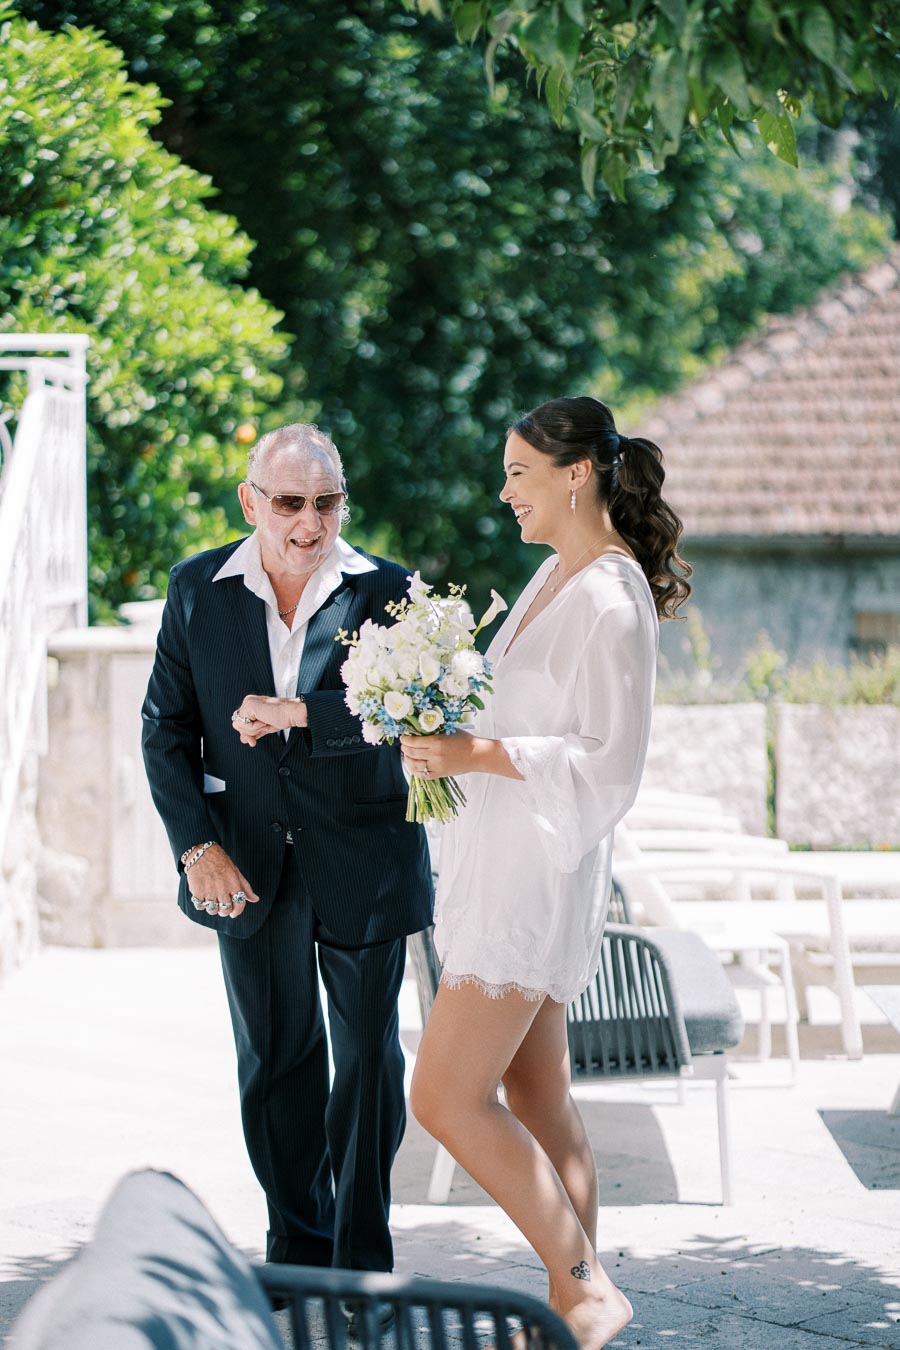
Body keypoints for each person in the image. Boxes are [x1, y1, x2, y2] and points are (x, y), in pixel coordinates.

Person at [399, 396, 691, 1350]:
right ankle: (579, 1300)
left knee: (441, 1098)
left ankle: (584, 1286)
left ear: (576, 474)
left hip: (535, 874)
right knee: (533, 1094)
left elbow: (611, 763)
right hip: (502, 858)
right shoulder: (550, 578)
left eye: (518, 472)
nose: (503, 491)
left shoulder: (611, 598)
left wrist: (473, 755)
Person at [141, 423, 433, 1301]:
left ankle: (363, 1255)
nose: (310, 523)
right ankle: (298, 1251)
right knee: (275, 1060)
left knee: (370, 1064)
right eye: (290, 503)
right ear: (250, 502)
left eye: (327, 503)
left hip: (367, 858)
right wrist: (198, 846)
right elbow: (165, 729)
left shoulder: (387, 590)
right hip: (247, 863)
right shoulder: (197, 588)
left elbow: (415, 723)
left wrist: (302, 713)